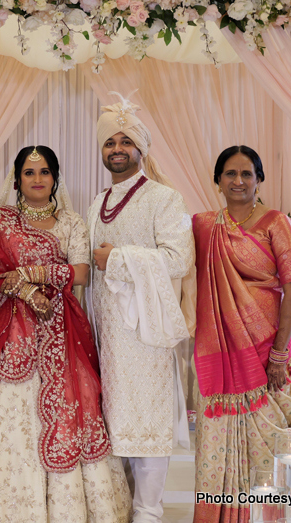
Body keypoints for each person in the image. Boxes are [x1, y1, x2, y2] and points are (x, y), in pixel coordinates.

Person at [0, 146, 131, 522]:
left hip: (62, 327)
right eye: (29, 172)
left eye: (44, 171)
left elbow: (82, 273)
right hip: (10, 331)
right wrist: (24, 290)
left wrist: (31, 275)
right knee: (8, 415)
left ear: (55, 177)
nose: (38, 179)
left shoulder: (72, 222)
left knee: (72, 406)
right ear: (17, 179)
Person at [87, 94, 194, 523]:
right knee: (117, 427)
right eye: (110, 142)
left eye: (125, 141)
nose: (117, 149)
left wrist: (117, 258)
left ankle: (149, 513)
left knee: (146, 426)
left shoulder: (164, 199)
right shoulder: (97, 203)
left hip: (145, 336)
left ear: (141, 149)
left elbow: (177, 260)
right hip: (106, 337)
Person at [192, 145, 291, 523]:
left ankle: (264, 517)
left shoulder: (277, 223)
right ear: (218, 181)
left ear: (259, 179)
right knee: (216, 440)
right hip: (220, 351)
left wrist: (278, 354)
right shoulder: (204, 226)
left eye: (246, 174)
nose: (238, 181)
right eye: (230, 174)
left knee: (265, 449)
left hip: (264, 350)